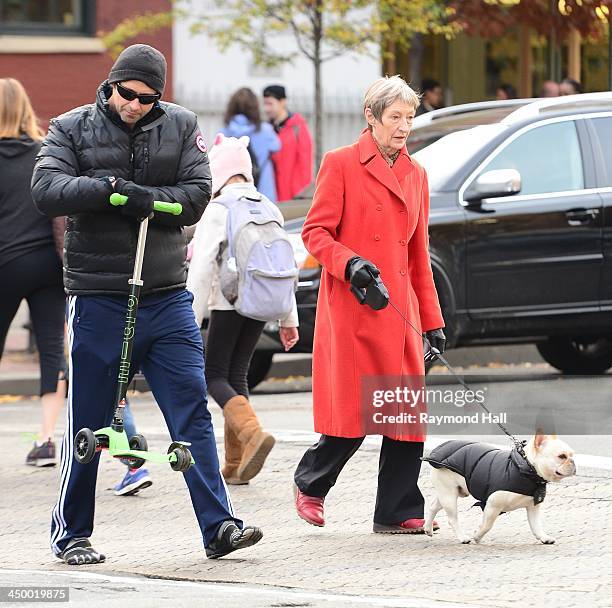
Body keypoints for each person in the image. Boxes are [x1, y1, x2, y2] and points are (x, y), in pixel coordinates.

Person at [31, 43, 262, 564]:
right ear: (110, 85)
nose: (134, 104)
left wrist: (148, 201)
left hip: (165, 295)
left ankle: (219, 525)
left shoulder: (181, 126)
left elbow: (198, 193)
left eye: (146, 97)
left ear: (160, 96)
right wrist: (108, 189)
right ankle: (72, 533)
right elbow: (47, 189)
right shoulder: (72, 127)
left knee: (192, 414)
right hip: (98, 296)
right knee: (87, 419)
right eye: (125, 93)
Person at [292, 75, 447, 534]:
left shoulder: (416, 175)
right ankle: (310, 483)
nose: (403, 127)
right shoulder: (339, 163)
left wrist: (432, 321)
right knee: (355, 412)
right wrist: (350, 263)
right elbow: (314, 233)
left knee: (404, 415)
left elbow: (418, 254)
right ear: (372, 117)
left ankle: (397, 509)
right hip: (356, 306)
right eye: (395, 117)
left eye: (409, 118)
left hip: (402, 311)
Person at [187, 134, 299, 484]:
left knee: (213, 375)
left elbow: (202, 267)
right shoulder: (269, 206)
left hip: (227, 302)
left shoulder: (218, 210)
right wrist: (288, 318)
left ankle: (252, 434)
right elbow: (285, 262)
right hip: (263, 302)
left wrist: (190, 318)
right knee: (237, 375)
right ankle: (236, 465)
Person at [0, 78, 66, 467]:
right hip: (46, 264)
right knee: (51, 351)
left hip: (4, 264)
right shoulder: (45, 154)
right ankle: (45, 440)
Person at [221, 88, 280, 202]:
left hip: (234, 195)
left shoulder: (224, 133)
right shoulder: (266, 131)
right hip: (263, 194)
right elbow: (277, 146)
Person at [262, 84, 313, 202]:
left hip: (293, 195)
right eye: (265, 104)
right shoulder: (267, 129)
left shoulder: (298, 127)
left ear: (282, 102)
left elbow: (305, 162)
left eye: (270, 103)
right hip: (271, 194)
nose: (266, 108)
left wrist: (300, 194)